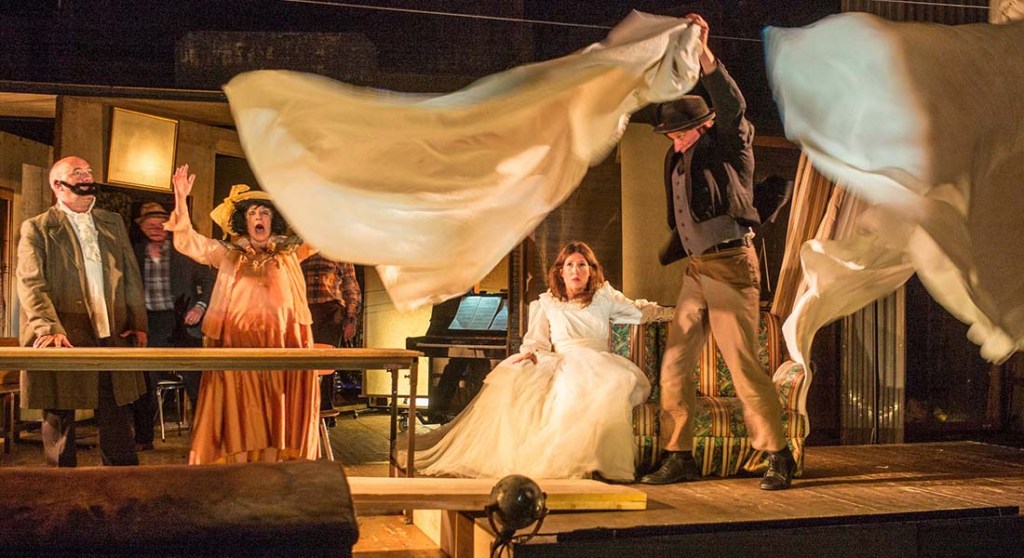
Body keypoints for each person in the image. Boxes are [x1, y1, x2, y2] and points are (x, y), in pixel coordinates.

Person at [638, 14, 796, 490]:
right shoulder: (677, 159)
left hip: (731, 266)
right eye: (671, 135)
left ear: (704, 125)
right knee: (675, 364)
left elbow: (732, 104)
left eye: (682, 132)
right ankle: (678, 455)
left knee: (741, 362)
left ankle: (778, 454)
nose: (674, 140)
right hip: (696, 271)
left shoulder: (730, 145)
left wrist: (705, 52)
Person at [403, 241, 671, 482]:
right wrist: (531, 353)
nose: (576, 271)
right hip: (562, 359)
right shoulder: (546, 303)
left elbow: (639, 312)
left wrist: (675, 313)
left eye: (582, 265)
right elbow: (537, 341)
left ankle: (595, 463)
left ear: (591, 270)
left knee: (606, 387)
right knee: (517, 379)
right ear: (560, 272)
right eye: (570, 265)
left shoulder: (604, 297)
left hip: (599, 361)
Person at [167, 164, 319, 464]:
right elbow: (188, 242)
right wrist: (181, 199)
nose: (259, 218)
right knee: (240, 405)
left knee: (277, 403)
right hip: (237, 345)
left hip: (283, 344)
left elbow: (321, 235)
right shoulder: (228, 253)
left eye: (264, 212)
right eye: (252, 213)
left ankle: (277, 464)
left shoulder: (290, 252)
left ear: (273, 219)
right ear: (244, 221)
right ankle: (240, 465)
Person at [16, 156, 148, 467]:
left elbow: (130, 274)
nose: (87, 177)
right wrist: (48, 328)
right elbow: (32, 283)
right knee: (60, 412)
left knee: (116, 405)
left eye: (89, 172)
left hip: (111, 330)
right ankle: (63, 486)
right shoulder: (38, 227)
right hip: (63, 332)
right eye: (78, 173)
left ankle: (122, 483)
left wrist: (137, 321)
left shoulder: (112, 222)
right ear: (58, 185)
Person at [130, 201, 214, 450]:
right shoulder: (134, 253)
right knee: (145, 385)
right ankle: (144, 438)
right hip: (150, 324)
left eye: (161, 224)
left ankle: (202, 440)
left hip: (183, 323)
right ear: (141, 226)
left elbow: (210, 281)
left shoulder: (184, 251)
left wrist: (200, 307)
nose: (157, 228)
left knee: (196, 384)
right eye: (151, 224)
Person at [301, 252, 362, 421]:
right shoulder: (300, 250)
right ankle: (305, 409)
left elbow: (351, 287)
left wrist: (351, 319)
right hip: (304, 311)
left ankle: (325, 411)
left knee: (325, 362)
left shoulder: (338, 252)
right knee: (304, 362)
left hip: (331, 312)